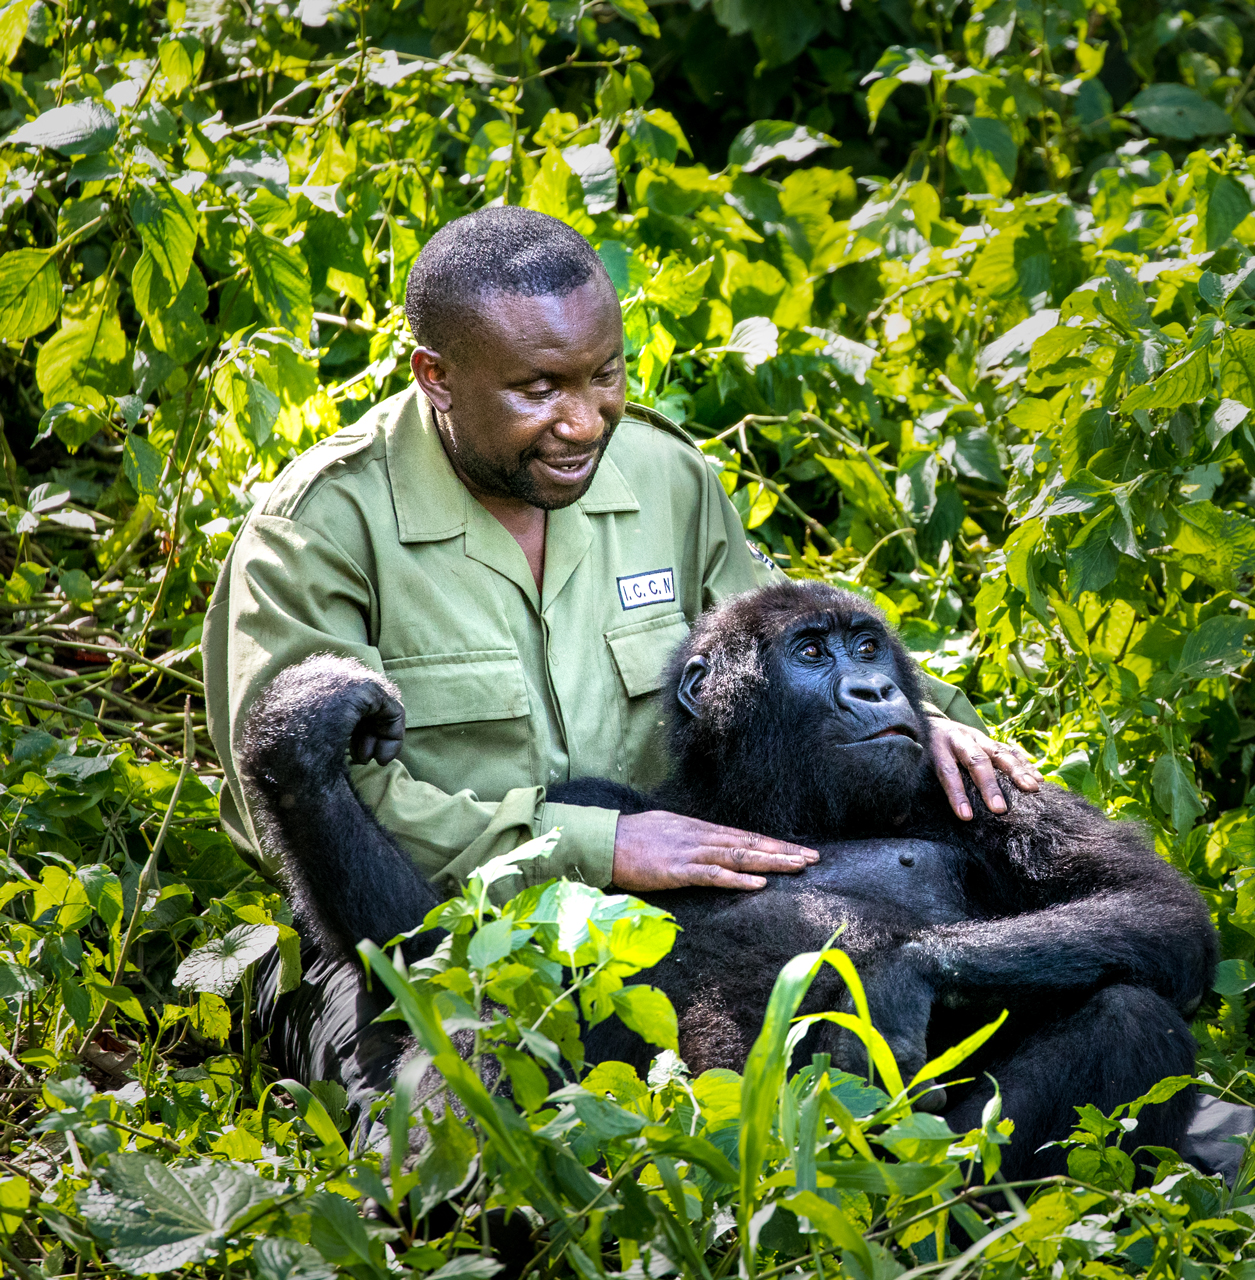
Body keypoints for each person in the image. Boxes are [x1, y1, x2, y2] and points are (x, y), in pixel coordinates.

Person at [204, 206, 1039, 1095]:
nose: (585, 421)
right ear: (437, 378)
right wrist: (593, 845)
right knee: (452, 1110)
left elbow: (778, 651)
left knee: (926, 1063)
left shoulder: (664, 476)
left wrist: (931, 720)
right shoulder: (322, 530)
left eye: (606, 376)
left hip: (669, 901)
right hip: (397, 924)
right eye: (540, 390)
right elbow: (325, 806)